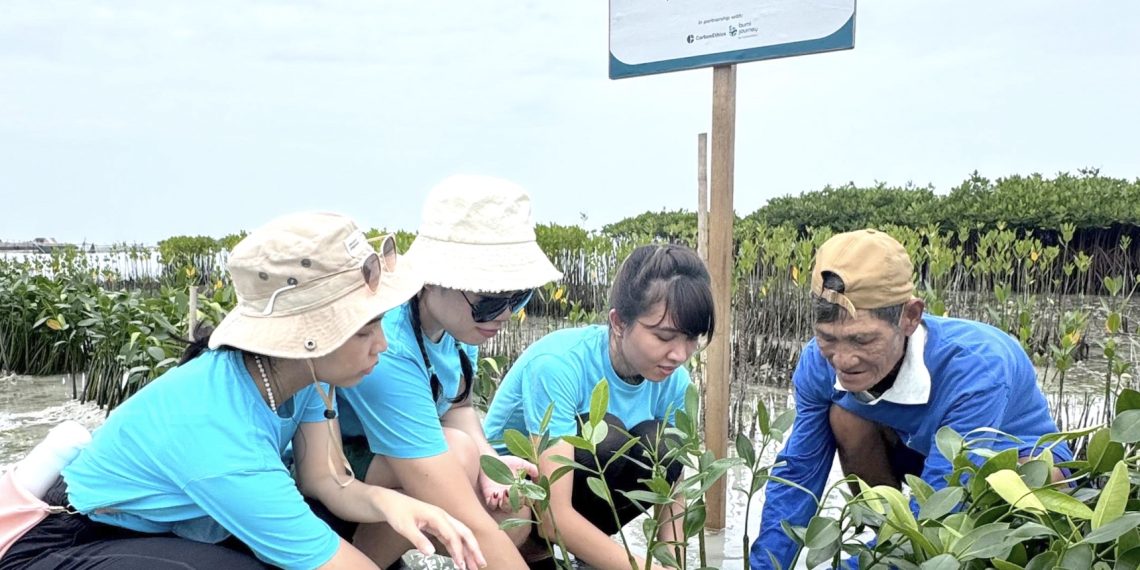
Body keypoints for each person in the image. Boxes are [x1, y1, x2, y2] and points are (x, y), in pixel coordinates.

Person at [0, 212, 485, 570]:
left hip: (168, 525)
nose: (382, 344)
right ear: (305, 337)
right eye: (363, 330)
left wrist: (392, 504)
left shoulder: (304, 379)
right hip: (69, 541)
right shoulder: (219, 430)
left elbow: (325, 481)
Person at [750, 228, 1073, 570]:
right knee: (844, 417)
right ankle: (884, 535)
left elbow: (942, 500)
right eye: (828, 338)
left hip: (1002, 466)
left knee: (1021, 479)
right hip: (916, 454)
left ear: (910, 317)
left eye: (862, 340)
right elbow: (799, 473)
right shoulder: (817, 363)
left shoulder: (976, 368)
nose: (842, 360)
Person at [336, 175, 563, 569]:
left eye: (517, 296)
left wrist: (490, 462)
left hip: (391, 456)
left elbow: (456, 405)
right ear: (434, 281)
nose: (505, 314)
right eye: (490, 299)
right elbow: (450, 486)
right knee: (458, 460)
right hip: (338, 461)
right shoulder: (388, 343)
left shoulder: (460, 329)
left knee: (511, 514)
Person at [483, 243, 715, 570]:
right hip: (512, 509)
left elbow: (673, 493)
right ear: (619, 323)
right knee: (606, 438)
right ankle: (544, 554)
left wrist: (672, 564)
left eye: (692, 338)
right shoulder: (558, 365)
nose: (679, 354)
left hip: (580, 511)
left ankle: (589, 555)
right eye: (664, 337)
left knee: (660, 444)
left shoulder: (677, 383)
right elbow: (553, 516)